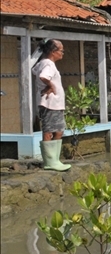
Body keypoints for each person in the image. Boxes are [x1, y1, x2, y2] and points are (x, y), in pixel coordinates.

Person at [32, 39, 71, 171]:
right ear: (53, 52)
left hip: (55, 104)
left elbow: (35, 71)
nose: (62, 53)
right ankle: (50, 162)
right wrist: (51, 86)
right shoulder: (48, 64)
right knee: (49, 131)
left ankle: (55, 160)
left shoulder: (44, 63)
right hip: (49, 103)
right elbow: (43, 76)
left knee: (59, 130)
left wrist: (46, 85)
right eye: (61, 50)